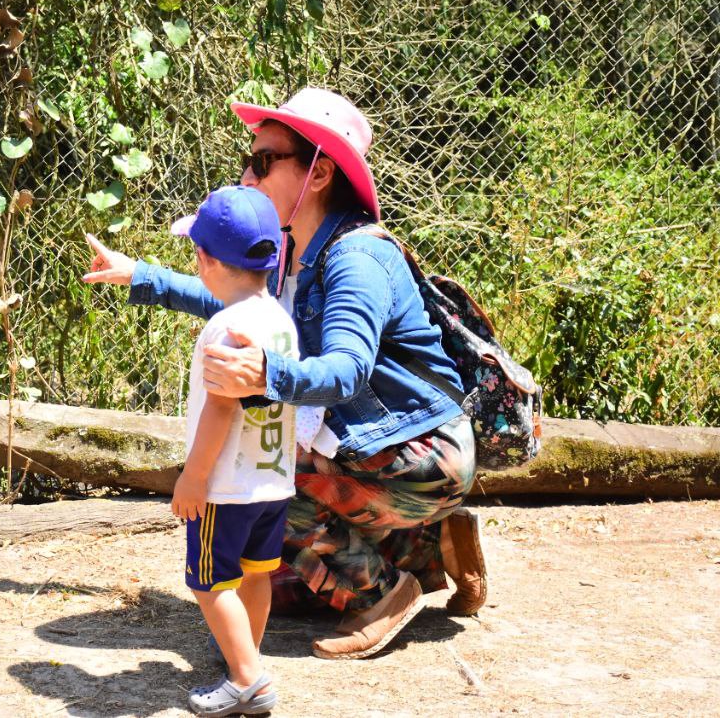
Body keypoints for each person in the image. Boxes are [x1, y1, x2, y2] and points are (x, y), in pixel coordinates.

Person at [83, 87, 487, 661]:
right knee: (281, 584)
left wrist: (266, 373)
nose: (247, 175)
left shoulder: (356, 258)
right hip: (375, 450)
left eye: (264, 161)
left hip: (419, 454)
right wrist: (140, 276)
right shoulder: (293, 248)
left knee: (253, 475)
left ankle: (387, 590)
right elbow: (232, 298)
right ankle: (428, 546)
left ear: (318, 174)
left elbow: (346, 373)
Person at [150, 185, 330, 715]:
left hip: (225, 487)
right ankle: (242, 658)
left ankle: (249, 678)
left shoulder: (223, 327)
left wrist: (194, 476)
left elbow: (222, 407)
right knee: (255, 573)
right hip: (272, 481)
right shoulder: (279, 320)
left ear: (205, 260)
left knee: (207, 582)